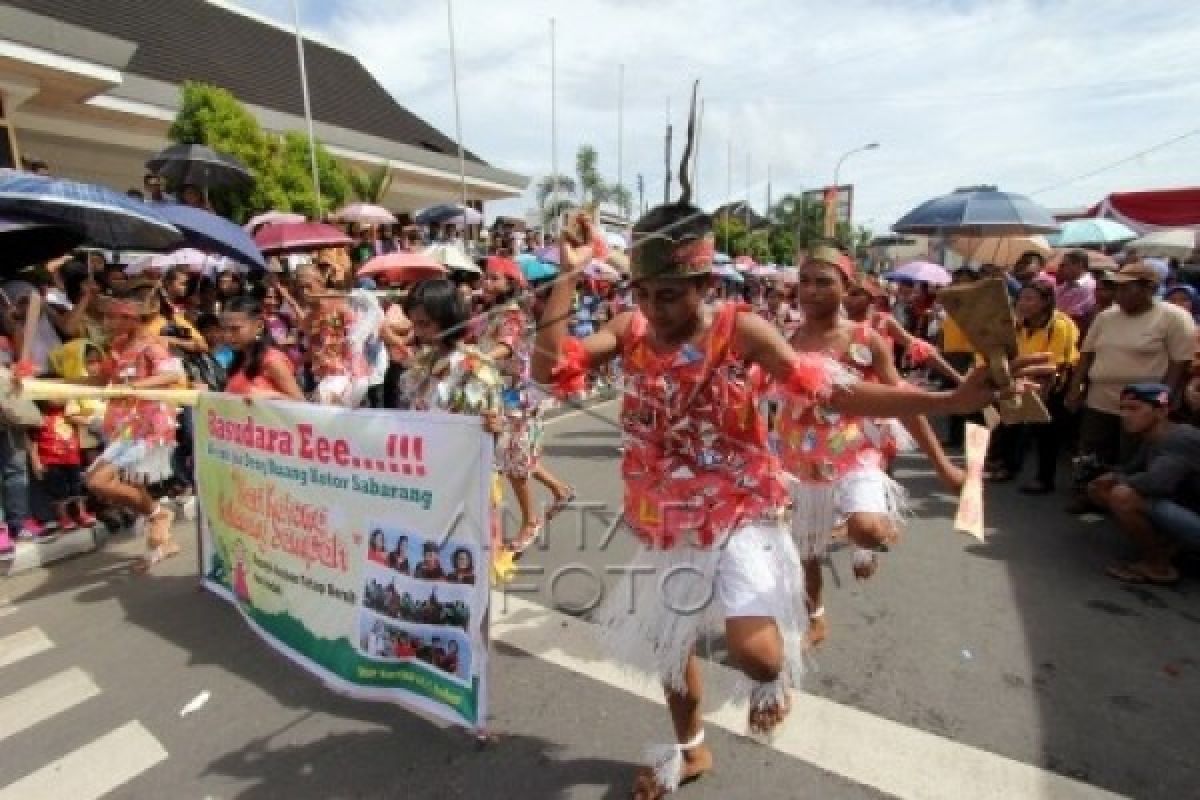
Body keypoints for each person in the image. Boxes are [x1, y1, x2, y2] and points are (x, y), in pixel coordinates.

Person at [530, 88, 1047, 798]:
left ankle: (779, 659)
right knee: (669, 645)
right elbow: (550, 364)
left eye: (671, 295)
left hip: (740, 508)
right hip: (663, 516)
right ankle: (692, 749)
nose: (654, 309)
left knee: (760, 656)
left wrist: (949, 401)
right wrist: (565, 269)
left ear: (705, 282)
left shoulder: (740, 329)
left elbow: (832, 392)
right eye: (644, 293)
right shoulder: (631, 329)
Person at [783, 245, 963, 647]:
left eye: (823, 282)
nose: (810, 291)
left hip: (856, 455)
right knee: (806, 553)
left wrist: (942, 466)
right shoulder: (787, 341)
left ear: (847, 287)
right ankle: (815, 617)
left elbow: (905, 404)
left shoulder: (869, 339)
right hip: (802, 462)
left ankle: (866, 535)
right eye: (805, 282)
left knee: (866, 530)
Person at [72, 286, 187, 572]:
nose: (108, 323)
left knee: (99, 481)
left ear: (132, 319)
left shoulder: (152, 345)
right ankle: (162, 542)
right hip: (124, 427)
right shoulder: (119, 346)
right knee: (125, 485)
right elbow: (101, 382)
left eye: (114, 318)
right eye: (107, 318)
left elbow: (173, 374)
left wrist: (133, 387)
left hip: (149, 426)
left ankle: (158, 515)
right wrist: (44, 382)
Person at [1066, 261, 1195, 512]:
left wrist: (1164, 399)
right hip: (1101, 398)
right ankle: (1088, 495)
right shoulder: (1106, 316)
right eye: (1116, 288)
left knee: (1132, 456)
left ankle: (1122, 502)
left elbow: (1179, 362)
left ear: (1149, 288)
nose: (1119, 294)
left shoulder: (1173, 317)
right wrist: (1075, 387)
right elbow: (1087, 354)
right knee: (1091, 449)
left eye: (1127, 288)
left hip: (1142, 405)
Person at [477, 256, 573, 551]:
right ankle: (560, 490)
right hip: (501, 394)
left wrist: (477, 358)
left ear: (510, 283)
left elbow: (506, 346)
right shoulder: (491, 311)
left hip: (517, 397)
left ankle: (531, 522)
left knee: (513, 464)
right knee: (517, 454)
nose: (486, 282)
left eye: (494, 278)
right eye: (485, 277)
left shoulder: (513, 314)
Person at [1089, 384, 1200, 585]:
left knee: (1122, 496)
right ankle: (1170, 547)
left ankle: (1158, 566)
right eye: (1123, 408)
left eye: (1134, 408)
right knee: (1100, 488)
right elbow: (1131, 468)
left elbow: (1157, 484)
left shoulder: (1179, 438)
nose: (1125, 415)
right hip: (1189, 507)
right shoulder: (1153, 435)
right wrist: (1105, 474)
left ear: (1161, 411)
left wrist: (1116, 479)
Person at [986, 280, 1080, 493]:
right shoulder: (1017, 323)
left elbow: (1052, 364)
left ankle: (1044, 479)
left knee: (1046, 433)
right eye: (1021, 298)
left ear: (1046, 302)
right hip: (1021, 378)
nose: (1023, 303)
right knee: (1011, 423)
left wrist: (1012, 371)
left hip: (1052, 383)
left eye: (1030, 299)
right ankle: (1008, 466)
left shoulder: (1060, 325)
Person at [221, 296, 305, 401]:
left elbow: (301, 404)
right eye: (225, 329)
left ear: (259, 325)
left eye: (235, 329)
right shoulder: (239, 360)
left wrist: (273, 396)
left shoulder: (272, 360)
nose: (228, 335)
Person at [29, 398, 93, 532]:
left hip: (72, 458)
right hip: (51, 460)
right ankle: (64, 517)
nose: (59, 397)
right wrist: (36, 462)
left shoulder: (69, 413)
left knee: (77, 488)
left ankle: (82, 514)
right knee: (59, 492)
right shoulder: (38, 417)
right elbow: (33, 442)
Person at [1054, 250, 1096, 332]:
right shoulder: (1064, 285)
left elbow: (1073, 316)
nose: (1061, 269)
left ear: (1079, 265)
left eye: (1065, 265)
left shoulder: (1088, 286)